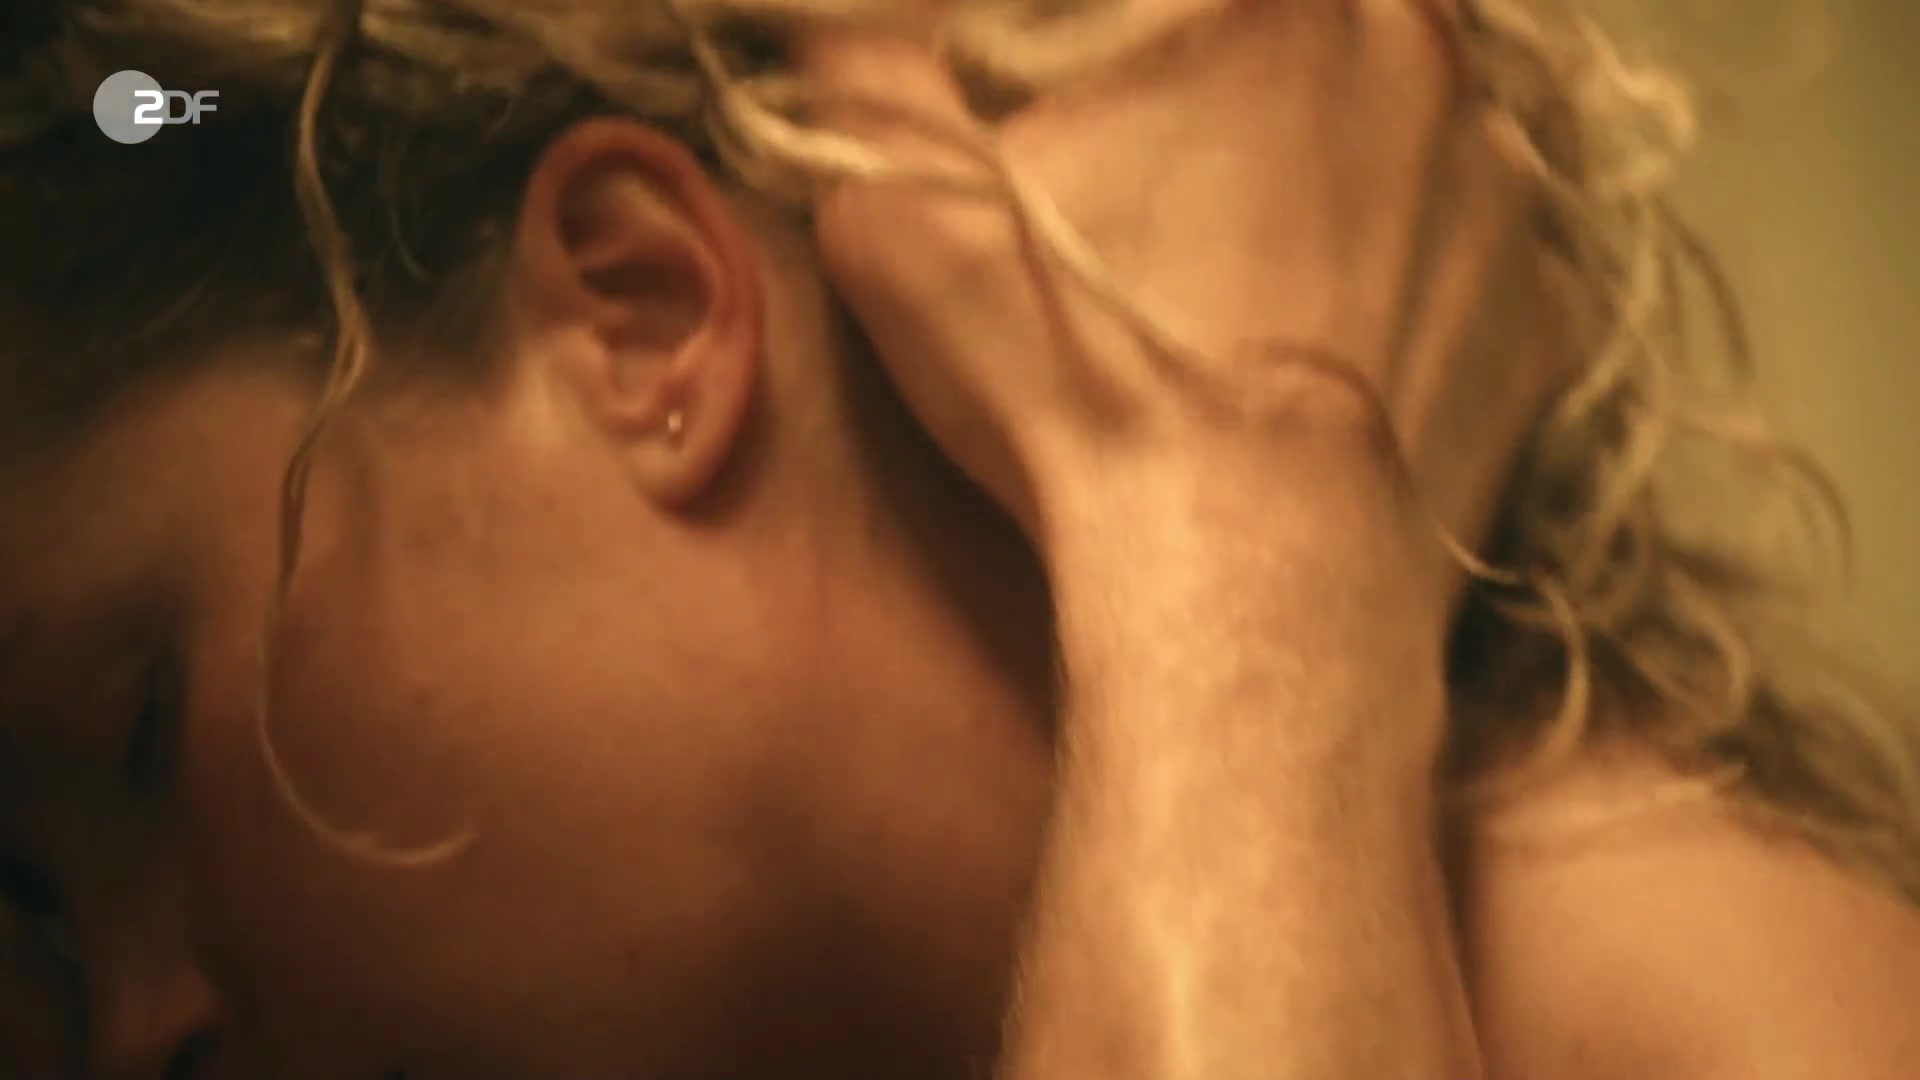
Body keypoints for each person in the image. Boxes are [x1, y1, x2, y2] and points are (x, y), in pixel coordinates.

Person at [1, 0, 1916, 1077]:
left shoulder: (1735, 1021)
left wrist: (1236, 499)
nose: (141, 1042)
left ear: (641, 314)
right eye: (59, 949)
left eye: (144, 730)